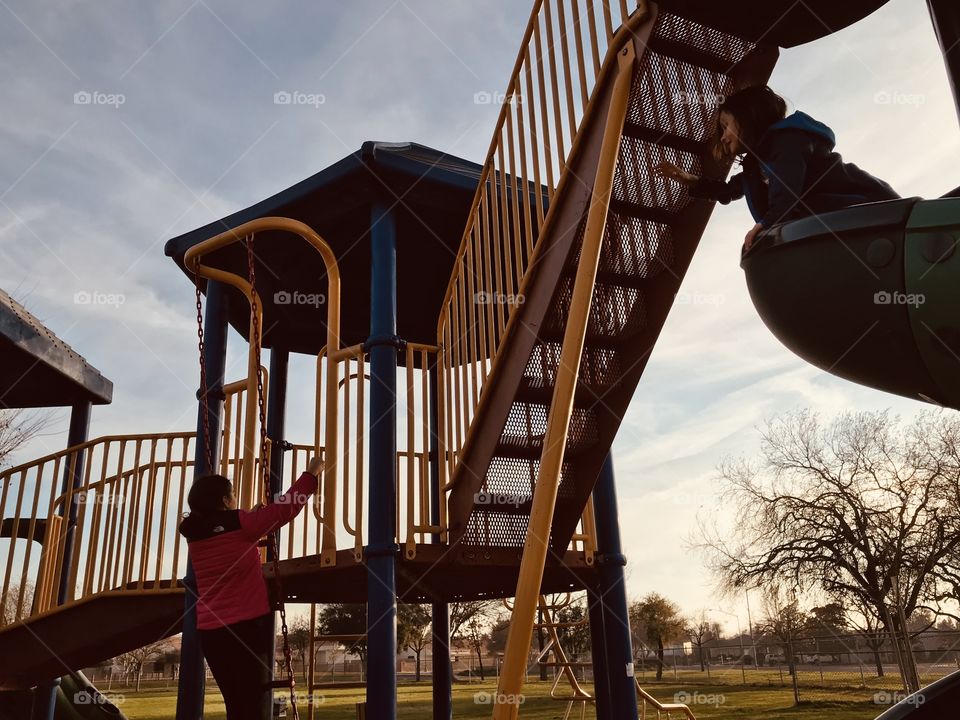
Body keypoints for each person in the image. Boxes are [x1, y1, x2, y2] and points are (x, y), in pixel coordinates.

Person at [656, 85, 899, 250]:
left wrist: (768, 223)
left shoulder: (788, 141)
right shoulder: (756, 168)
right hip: (837, 222)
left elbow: (787, 186)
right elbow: (731, 190)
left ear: (749, 117)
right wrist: (691, 180)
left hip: (868, 205)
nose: (722, 136)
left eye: (726, 125)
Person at [178, 456, 323, 719]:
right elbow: (283, 511)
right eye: (232, 496)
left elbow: (229, 540)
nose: (235, 500)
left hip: (212, 632)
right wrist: (310, 475)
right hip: (246, 629)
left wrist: (251, 519)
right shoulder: (241, 524)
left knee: (236, 704)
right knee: (255, 706)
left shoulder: (194, 533)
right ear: (224, 501)